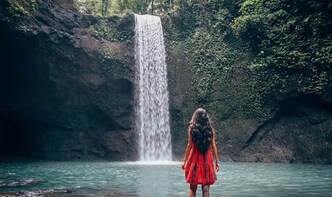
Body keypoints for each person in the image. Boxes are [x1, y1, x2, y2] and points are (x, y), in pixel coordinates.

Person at [182, 108, 219, 197]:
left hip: (194, 158)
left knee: (192, 187)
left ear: (195, 117)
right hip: (207, 158)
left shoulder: (191, 129)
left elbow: (189, 146)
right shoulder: (210, 129)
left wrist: (185, 161)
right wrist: (217, 161)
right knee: (206, 188)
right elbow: (213, 146)